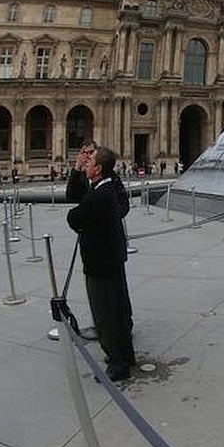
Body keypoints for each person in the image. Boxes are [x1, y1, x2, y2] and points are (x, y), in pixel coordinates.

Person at [66, 145, 136, 382]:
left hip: (102, 260)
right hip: (109, 255)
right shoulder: (99, 186)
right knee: (113, 310)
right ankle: (125, 354)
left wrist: (89, 217)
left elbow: (75, 217)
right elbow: (74, 197)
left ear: (98, 168)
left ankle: (118, 363)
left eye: (90, 157)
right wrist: (76, 170)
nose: (85, 160)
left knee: (107, 313)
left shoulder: (103, 192)